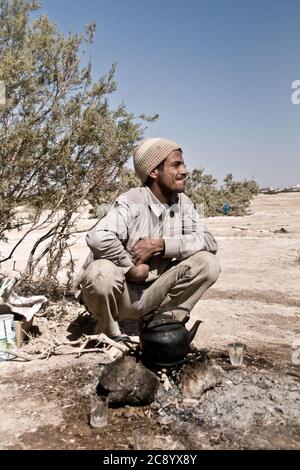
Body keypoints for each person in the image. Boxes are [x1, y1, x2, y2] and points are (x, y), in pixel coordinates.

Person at [74, 138, 221, 340]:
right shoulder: (131, 201)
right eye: (176, 165)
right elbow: (98, 237)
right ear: (153, 172)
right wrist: (130, 269)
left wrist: (161, 245)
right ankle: (109, 332)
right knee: (100, 272)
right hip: (121, 295)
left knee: (208, 263)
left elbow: (209, 241)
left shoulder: (182, 203)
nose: (184, 171)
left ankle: (161, 327)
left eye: (183, 164)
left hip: (152, 293)